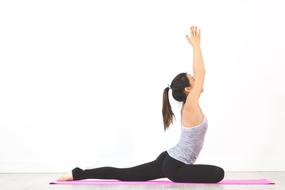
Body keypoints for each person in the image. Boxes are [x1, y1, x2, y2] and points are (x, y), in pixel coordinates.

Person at [58, 25, 225, 183]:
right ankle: (78, 174)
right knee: (218, 173)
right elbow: (201, 72)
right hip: (175, 166)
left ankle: (77, 173)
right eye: (193, 79)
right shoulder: (190, 106)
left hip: (169, 159)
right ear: (189, 89)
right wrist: (196, 46)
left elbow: (199, 73)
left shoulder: (189, 105)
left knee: (124, 174)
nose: (198, 80)